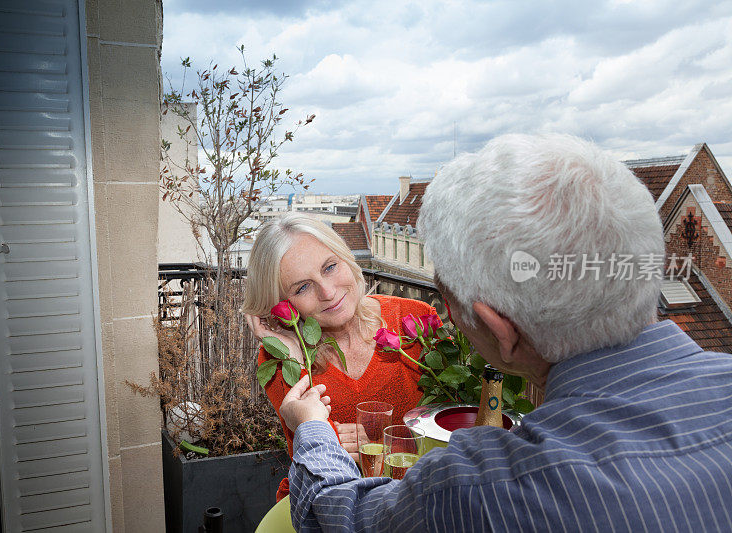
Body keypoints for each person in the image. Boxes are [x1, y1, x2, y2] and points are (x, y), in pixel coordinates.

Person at [280, 134, 732, 531]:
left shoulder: (484, 489)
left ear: (500, 329)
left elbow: (333, 516)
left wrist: (313, 430)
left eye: (449, 300)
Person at [242, 213, 440, 501]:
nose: (328, 291)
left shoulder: (414, 319)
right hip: (328, 506)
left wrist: (363, 445)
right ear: (281, 304)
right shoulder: (280, 357)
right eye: (302, 287)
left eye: (330, 267)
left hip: (423, 499)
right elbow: (310, 457)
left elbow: (454, 427)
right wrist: (296, 360)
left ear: (346, 258)